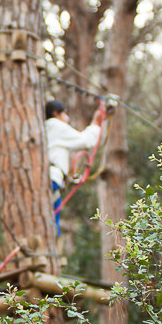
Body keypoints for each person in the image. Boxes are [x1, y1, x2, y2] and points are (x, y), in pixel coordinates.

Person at [45, 100, 104, 235]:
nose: (68, 117)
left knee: (50, 222)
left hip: (50, 178)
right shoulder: (55, 125)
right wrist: (96, 122)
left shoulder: (46, 128)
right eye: (65, 113)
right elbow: (86, 140)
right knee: (51, 225)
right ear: (56, 113)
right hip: (52, 179)